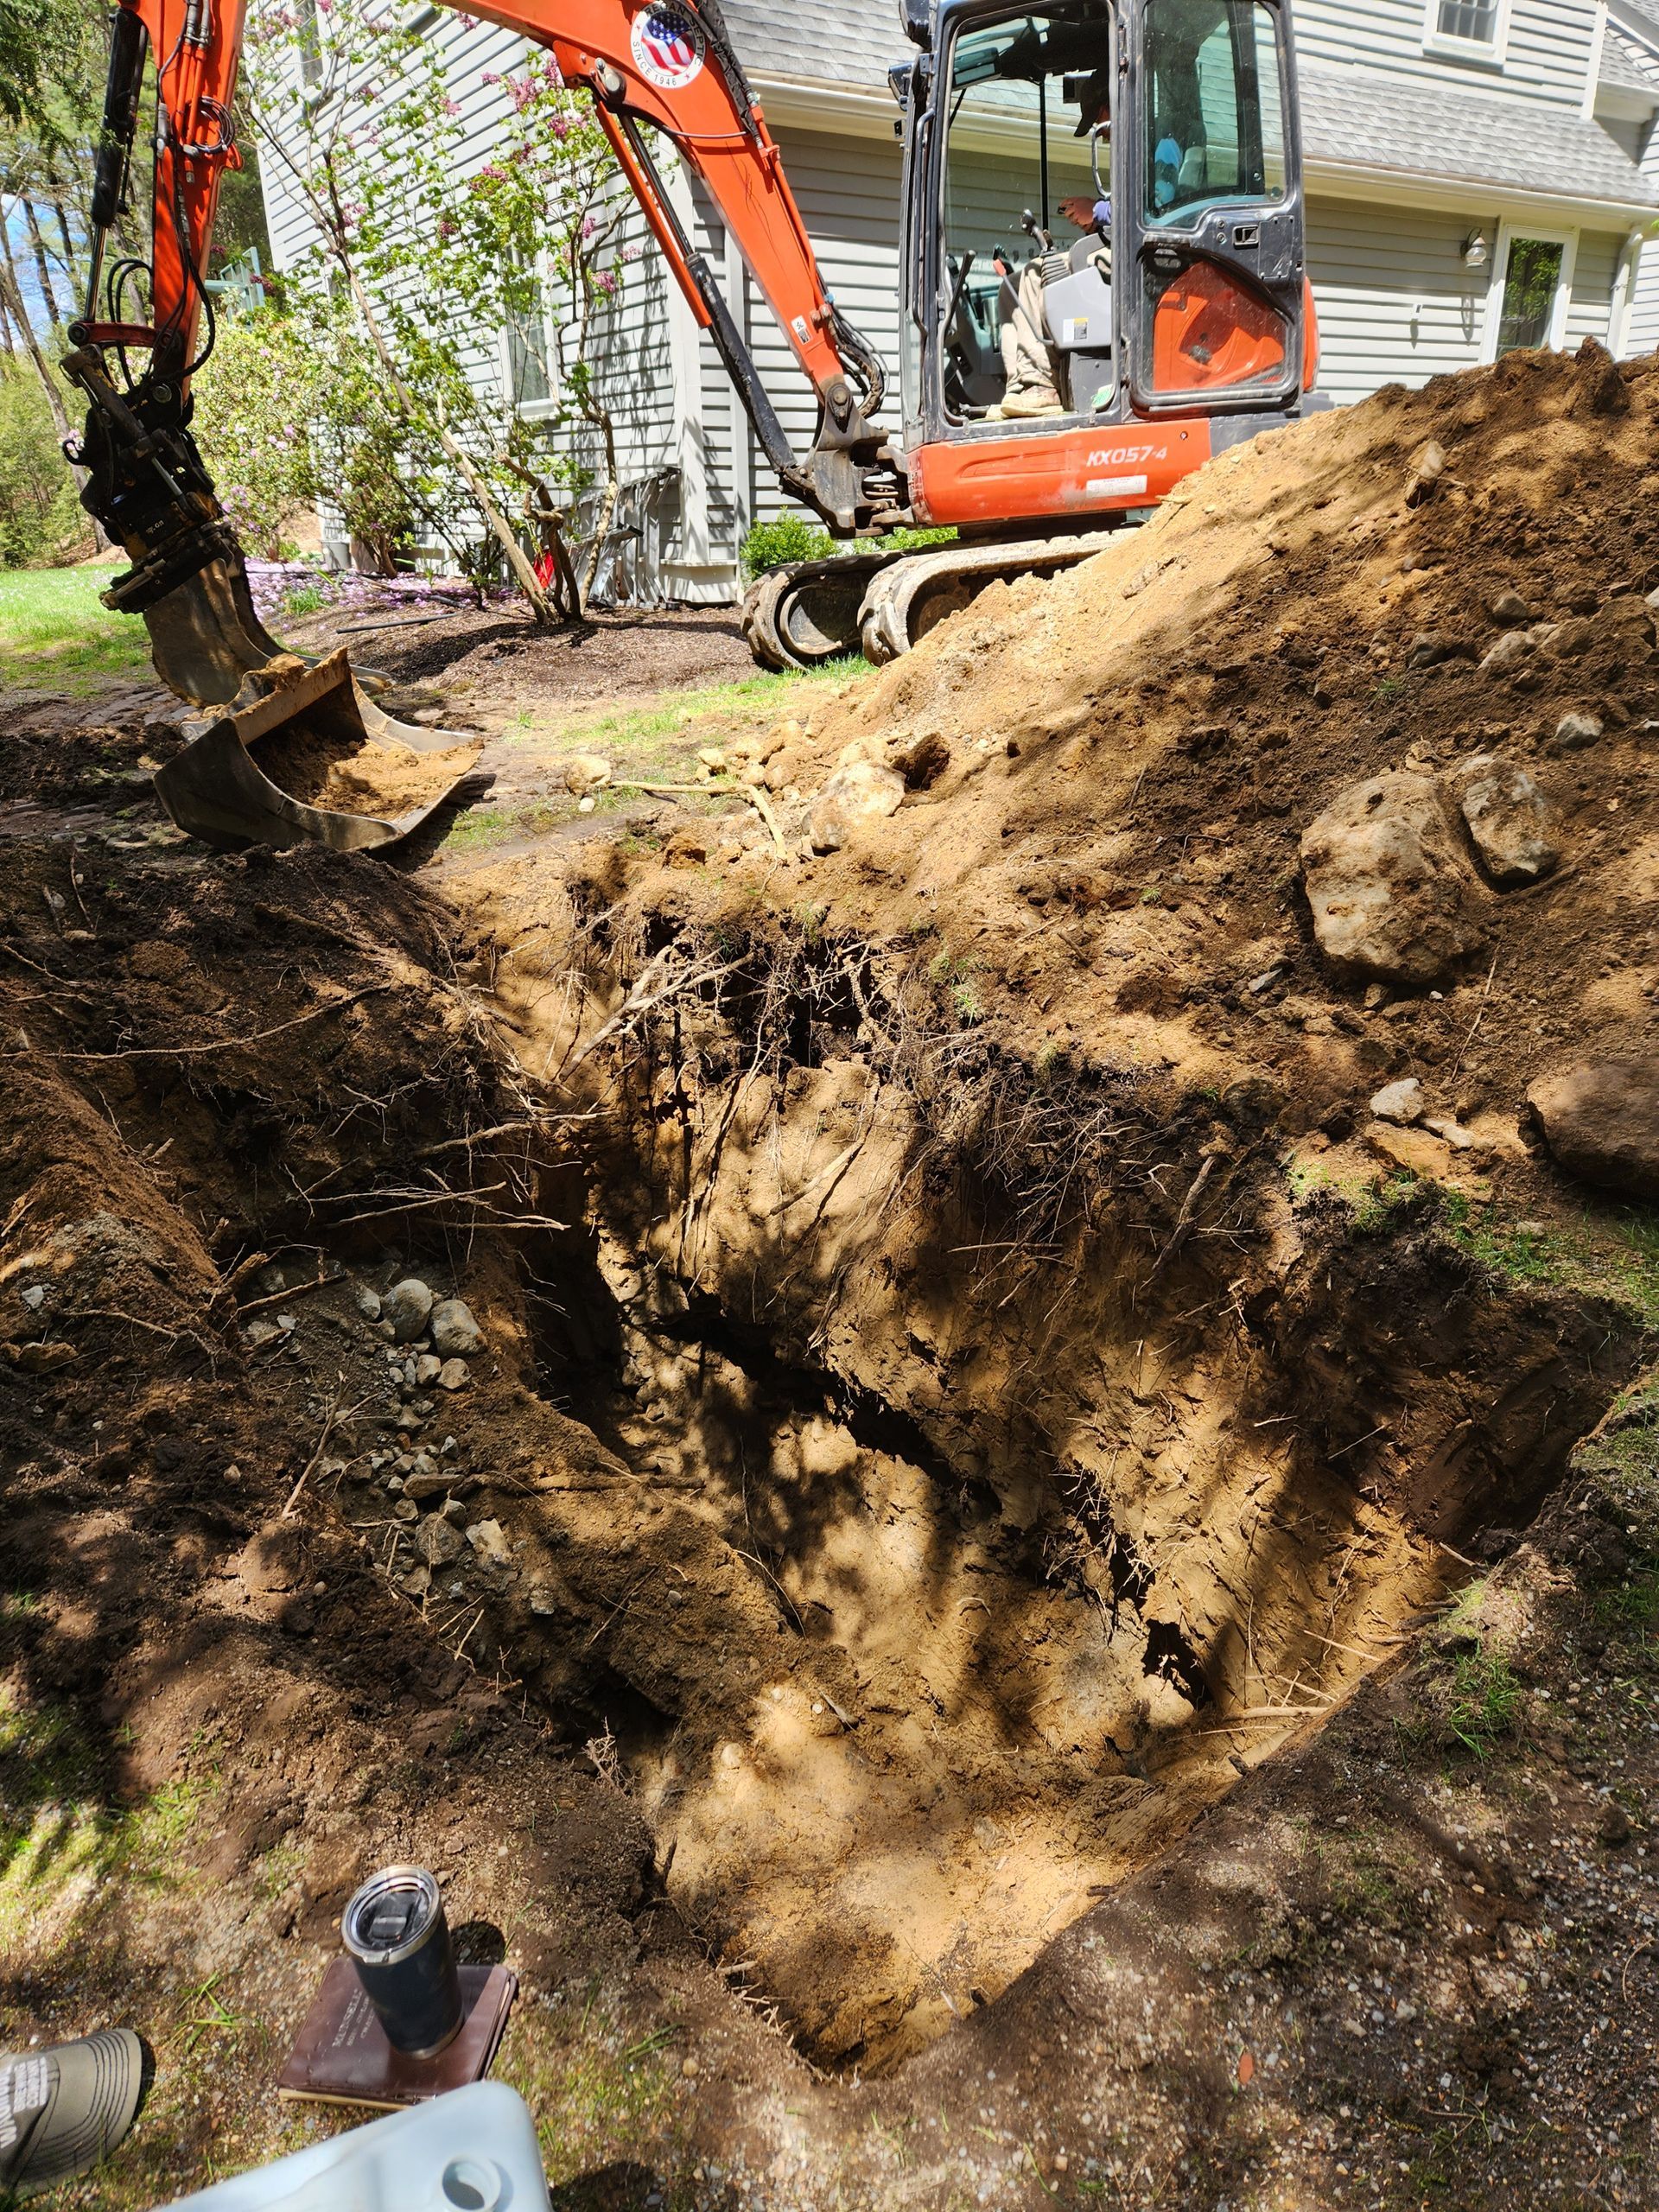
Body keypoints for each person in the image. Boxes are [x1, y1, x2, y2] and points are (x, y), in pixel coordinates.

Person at [997, 72, 1113, 419]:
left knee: (1033, 275)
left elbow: (1154, 212)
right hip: (1120, 248)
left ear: (1110, 108)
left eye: (1098, 121)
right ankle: (1023, 382)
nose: (1101, 135)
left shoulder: (1159, 147)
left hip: (1147, 254)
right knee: (1013, 285)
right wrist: (1096, 216)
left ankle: (1041, 384)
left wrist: (1097, 210)